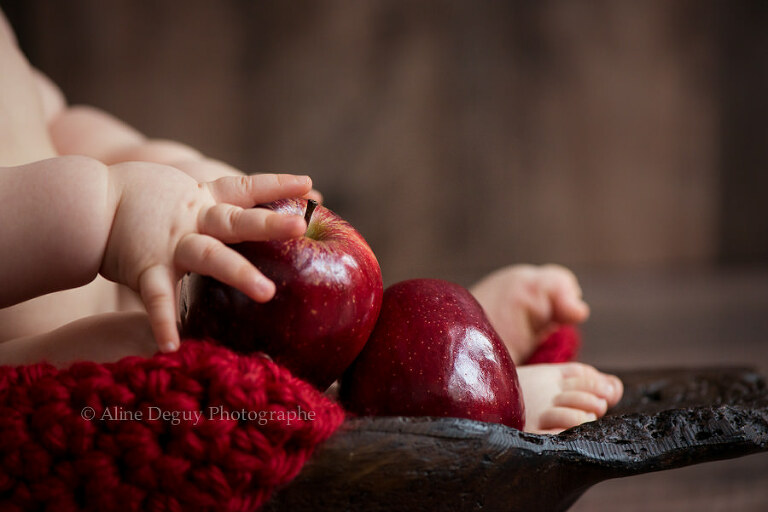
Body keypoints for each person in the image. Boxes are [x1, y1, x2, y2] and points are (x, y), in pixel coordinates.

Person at [0, 10, 621, 434]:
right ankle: (460, 415)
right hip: (47, 371)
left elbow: (73, 132)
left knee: (302, 321)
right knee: (195, 400)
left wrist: (187, 174)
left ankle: (439, 358)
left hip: (170, 297)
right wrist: (109, 210)